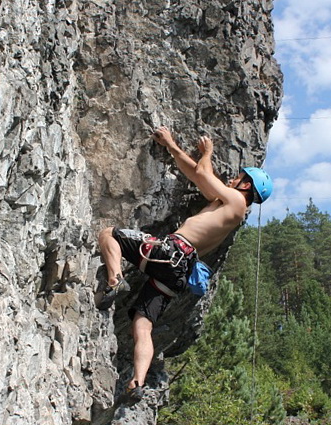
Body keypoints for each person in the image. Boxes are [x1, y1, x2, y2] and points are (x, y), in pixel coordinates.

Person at [97, 126, 273, 402]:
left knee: (109, 235)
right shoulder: (226, 206)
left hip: (171, 252)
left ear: (246, 185)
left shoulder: (237, 201)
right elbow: (195, 174)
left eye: (239, 177)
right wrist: (171, 146)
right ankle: (137, 381)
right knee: (143, 325)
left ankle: (115, 280)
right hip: (178, 273)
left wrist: (208, 153)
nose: (232, 179)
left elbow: (204, 172)